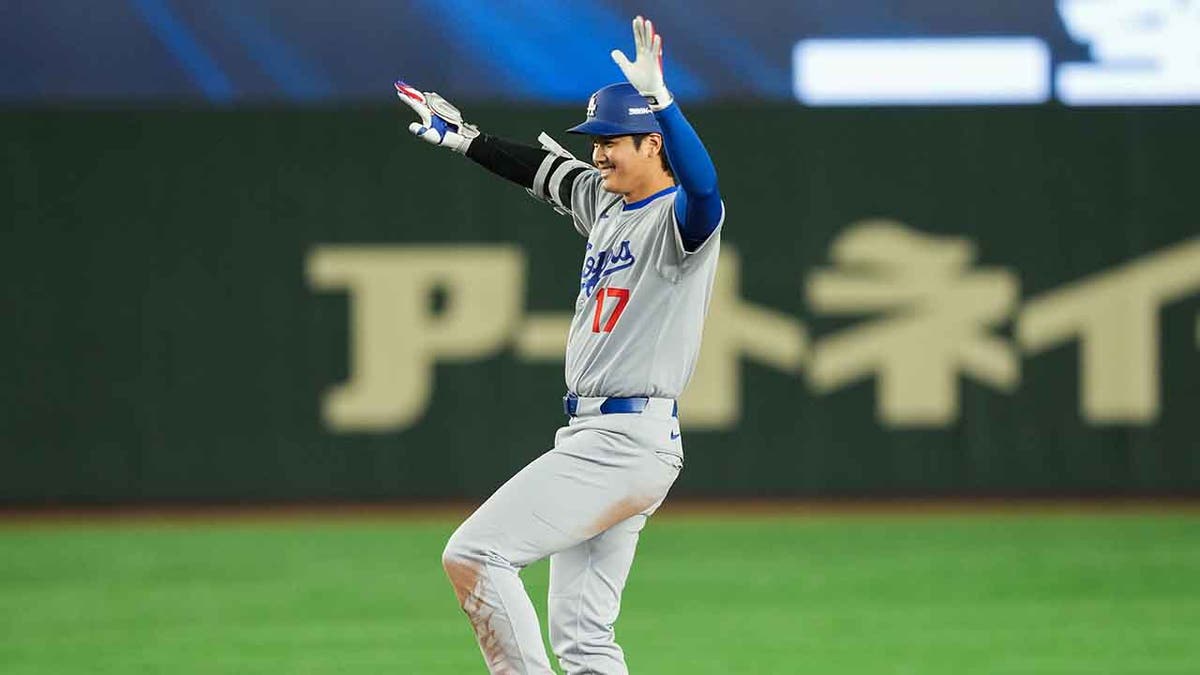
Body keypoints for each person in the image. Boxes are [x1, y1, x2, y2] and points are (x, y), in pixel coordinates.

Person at [395, 15, 724, 675]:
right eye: (595, 140)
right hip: (598, 437)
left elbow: (706, 188)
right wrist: (468, 140)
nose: (598, 153)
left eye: (613, 141)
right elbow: (542, 170)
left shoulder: (681, 222)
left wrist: (662, 99)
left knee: (475, 553)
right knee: (585, 641)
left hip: (627, 438)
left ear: (655, 144)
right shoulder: (604, 204)